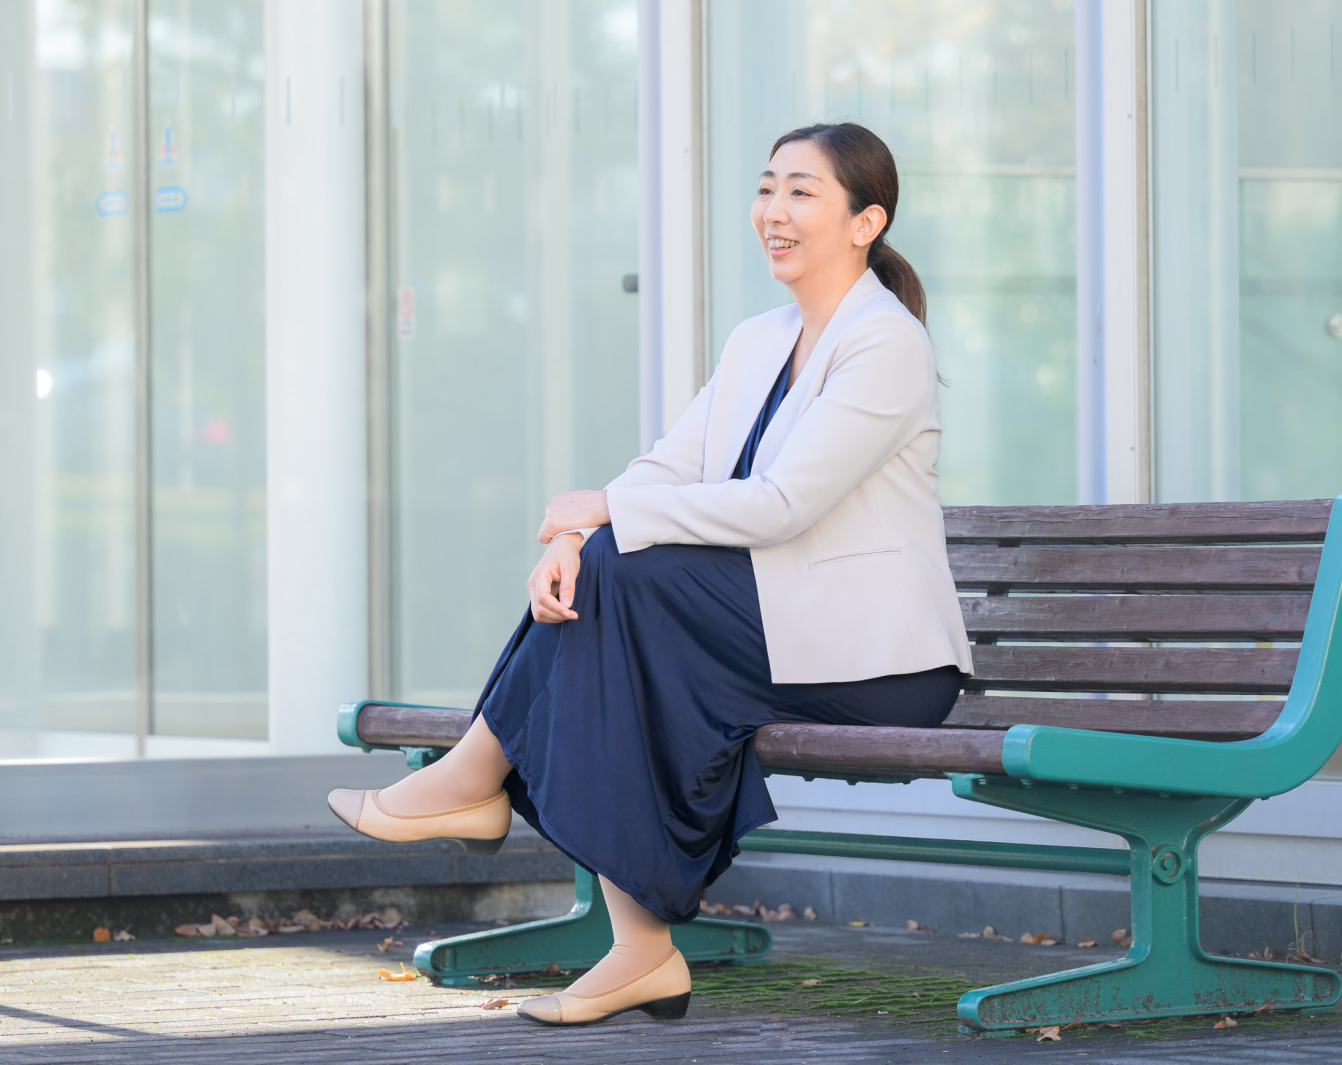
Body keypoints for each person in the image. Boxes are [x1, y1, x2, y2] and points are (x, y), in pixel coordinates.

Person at [327, 122, 971, 1027]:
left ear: (867, 222)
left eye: (802, 193)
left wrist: (601, 518)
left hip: (878, 665)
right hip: (771, 636)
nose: (773, 213)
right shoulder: (759, 339)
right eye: (766, 188)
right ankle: (638, 948)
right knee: (618, 605)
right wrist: (576, 538)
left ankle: (479, 786)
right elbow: (670, 468)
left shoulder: (885, 343)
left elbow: (785, 503)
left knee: (623, 588)